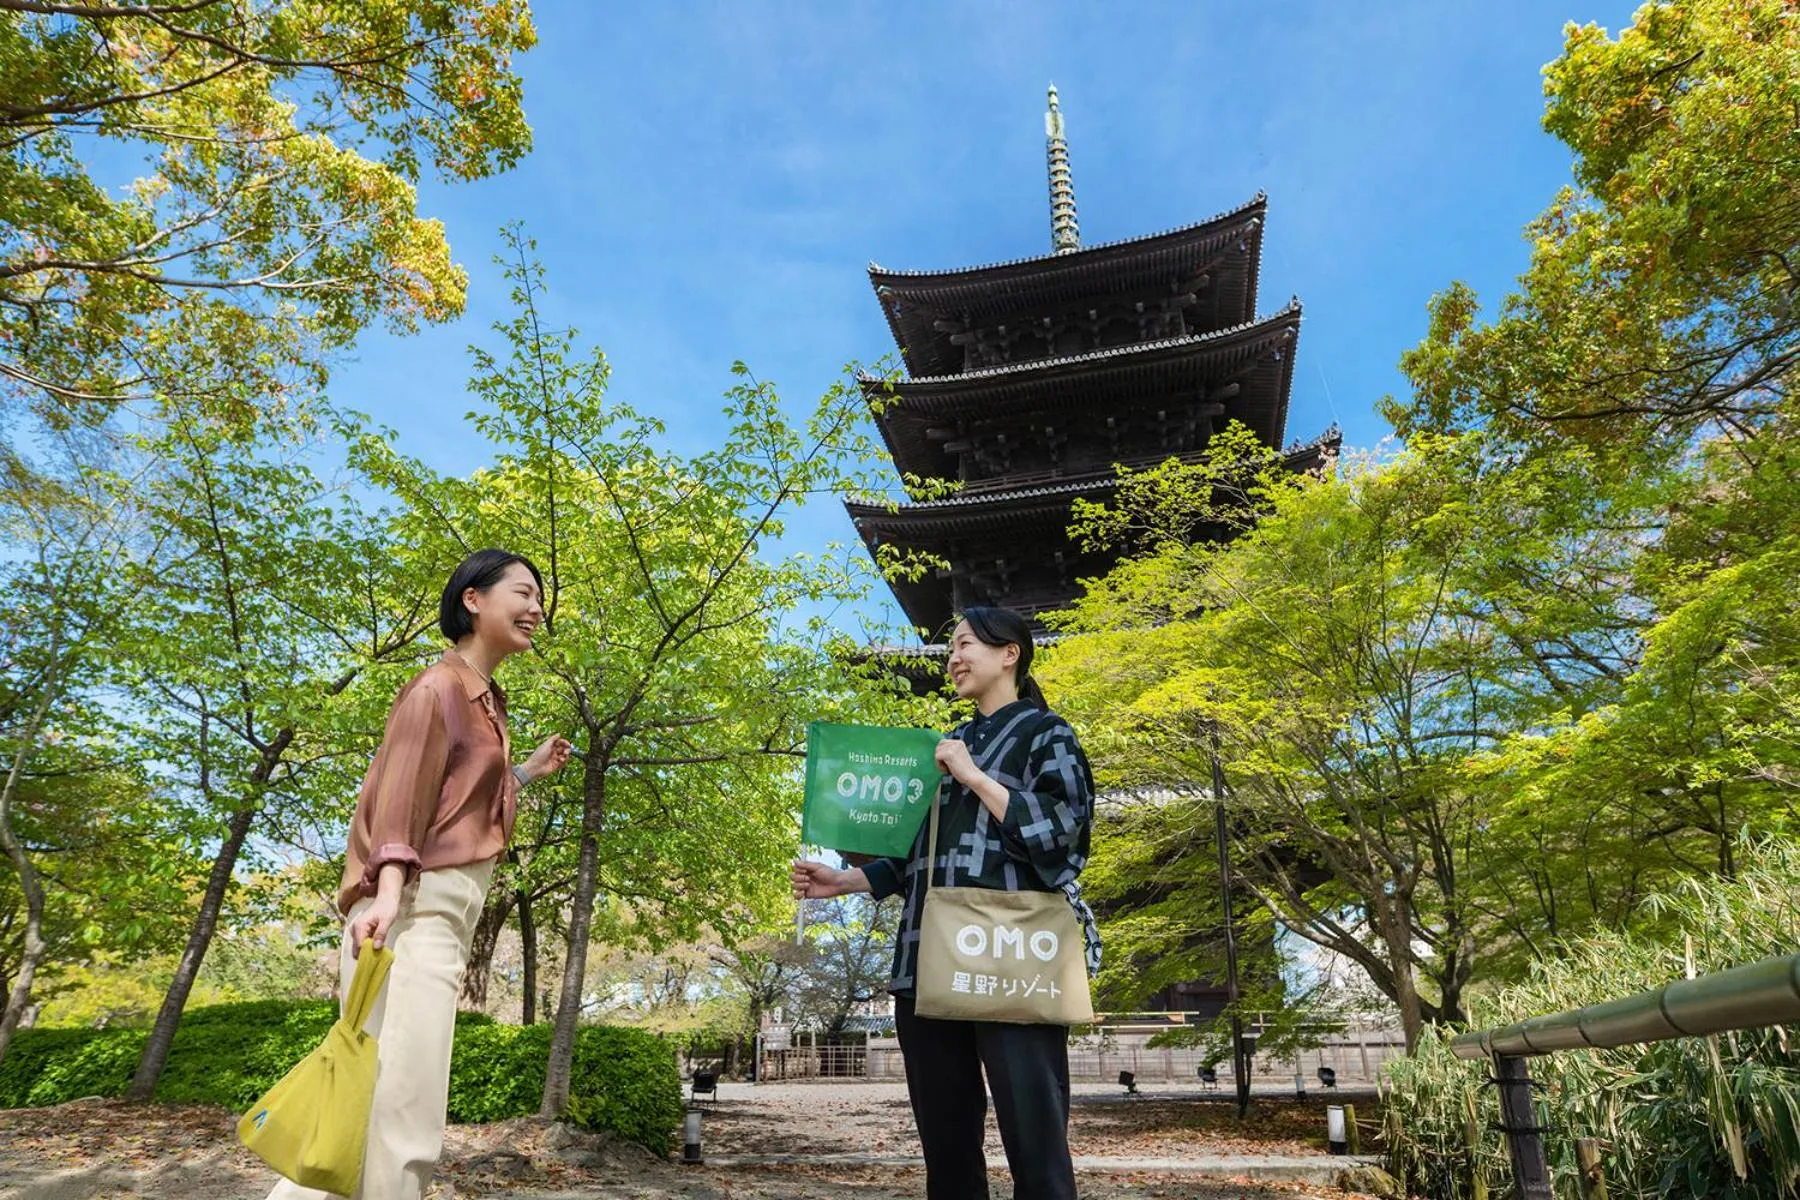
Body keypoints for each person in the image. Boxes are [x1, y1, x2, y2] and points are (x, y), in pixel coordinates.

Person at [267, 549, 573, 1200]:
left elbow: (456, 803)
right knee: (404, 1110)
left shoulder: (488, 702)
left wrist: (525, 774)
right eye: (523, 592)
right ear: (473, 599)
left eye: (539, 598)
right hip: (411, 913)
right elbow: (402, 798)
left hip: (430, 913)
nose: (536, 608)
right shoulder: (438, 687)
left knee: (370, 1096)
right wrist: (385, 899)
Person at [792, 607, 1100, 1200]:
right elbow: (923, 859)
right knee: (947, 1146)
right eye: (950, 647)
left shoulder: (1045, 732)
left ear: (1010, 652)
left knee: (1035, 1141)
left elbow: (1063, 834)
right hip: (928, 959)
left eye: (965, 644)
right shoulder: (946, 743)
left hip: (1011, 958)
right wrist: (842, 881)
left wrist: (976, 776)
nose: (953, 657)